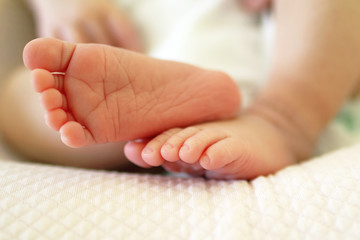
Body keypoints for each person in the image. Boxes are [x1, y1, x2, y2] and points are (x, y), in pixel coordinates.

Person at [6, 0, 360, 179]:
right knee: (24, 94)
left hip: (283, 48)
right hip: (130, 54)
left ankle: (283, 119)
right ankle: (142, 119)